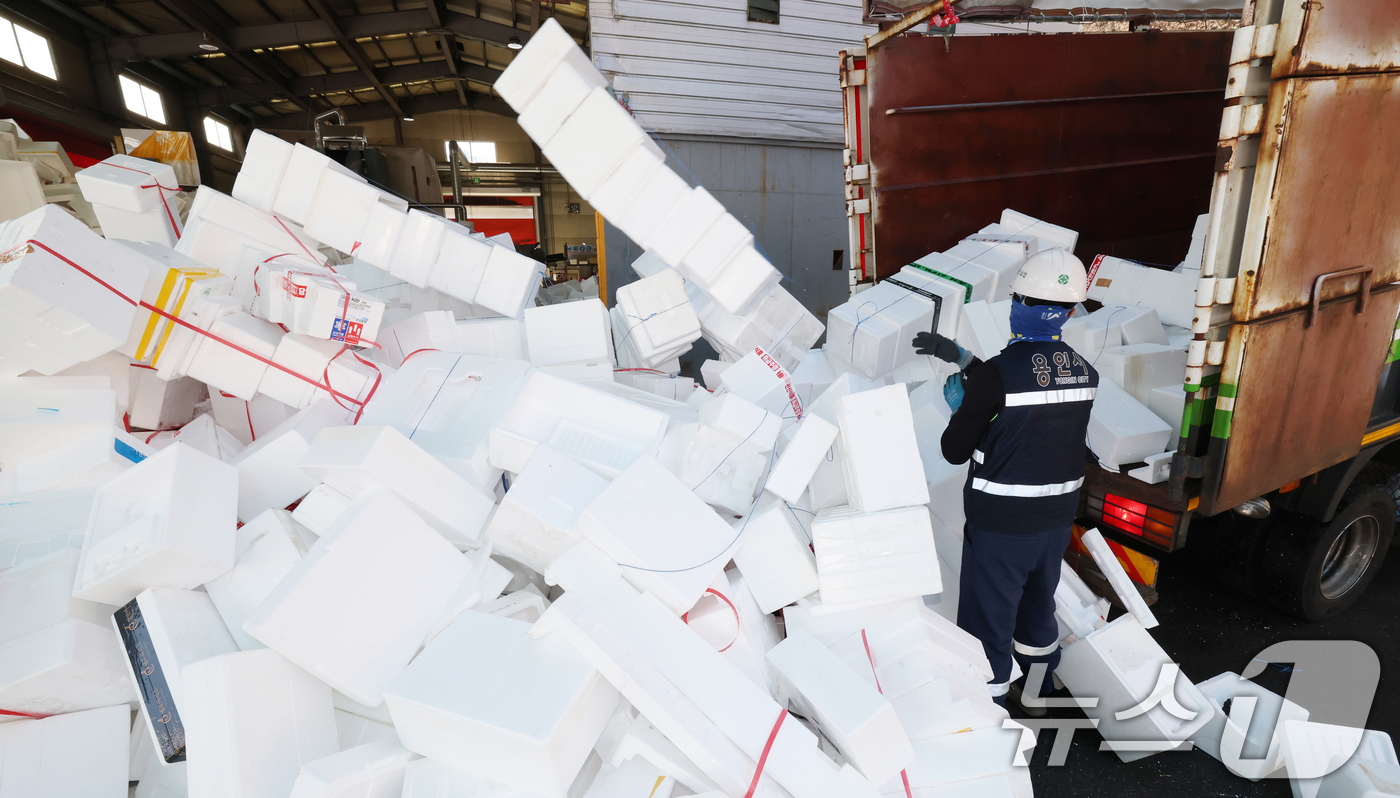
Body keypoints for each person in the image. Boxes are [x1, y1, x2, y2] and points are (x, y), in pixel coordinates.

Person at [912, 247, 1097, 715]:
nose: (1013, 305)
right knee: (1037, 609)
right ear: (1067, 312)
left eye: (1016, 298)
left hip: (1001, 528)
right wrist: (963, 359)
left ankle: (988, 710)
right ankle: (1037, 691)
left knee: (987, 625)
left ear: (1024, 306)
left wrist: (962, 408)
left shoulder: (996, 378)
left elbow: (955, 449)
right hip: (1055, 522)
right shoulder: (1083, 371)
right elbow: (1026, 389)